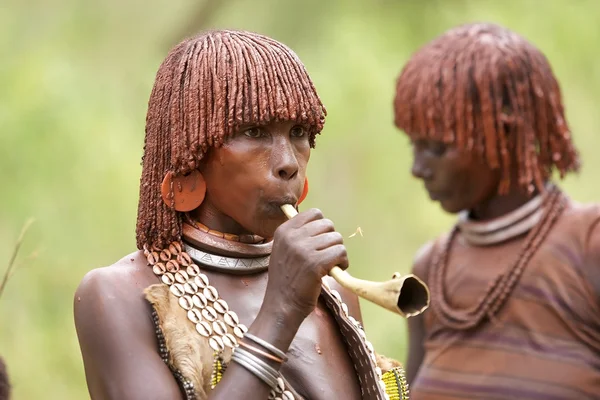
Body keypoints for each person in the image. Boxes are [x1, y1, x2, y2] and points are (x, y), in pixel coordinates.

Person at [74, 30, 412, 400]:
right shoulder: (120, 295)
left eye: (298, 133)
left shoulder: (331, 292)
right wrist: (281, 311)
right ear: (191, 152)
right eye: (253, 132)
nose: (287, 164)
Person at [394, 23, 600, 399]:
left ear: (503, 130)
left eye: (437, 148)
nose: (417, 168)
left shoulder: (589, 244)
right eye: (414, 145)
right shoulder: (432, 268)